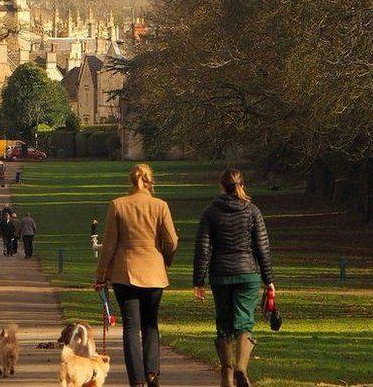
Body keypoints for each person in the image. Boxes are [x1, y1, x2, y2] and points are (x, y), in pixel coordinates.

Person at [94, 164, 178, 387]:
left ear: (131, 181)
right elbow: (172, 241)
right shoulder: (160, 206)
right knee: (151, 324)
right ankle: (152, 372)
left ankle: (138, 380)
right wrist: (164, 259)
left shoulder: (118, 205)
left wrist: (101, 275)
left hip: (125, 273)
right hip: (154, 272)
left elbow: (109, 245)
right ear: (150, 182)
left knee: (131, 327)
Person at [193, 169, 274, 387]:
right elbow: (262, 247)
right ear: (242, 185)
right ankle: (241, 367)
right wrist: (269, 278)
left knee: (224, 323)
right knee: (245, 321)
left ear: (222, 186)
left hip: (220, 274)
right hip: (248, 273)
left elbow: (203, 248)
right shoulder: (253, 211)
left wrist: (198, 280)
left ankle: (227, 375)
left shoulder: (211, 212)